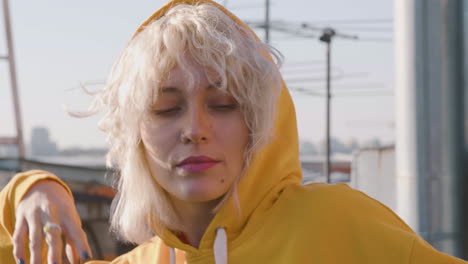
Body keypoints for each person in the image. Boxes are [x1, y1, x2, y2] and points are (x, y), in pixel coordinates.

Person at [0, 0, 466, 263]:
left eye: (223, 104)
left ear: (259, 123)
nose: (195, 129)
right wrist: (30, 190)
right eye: (165, 109)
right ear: (133, 134)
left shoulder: (342, 227)